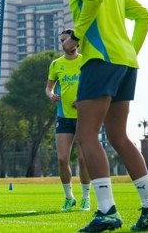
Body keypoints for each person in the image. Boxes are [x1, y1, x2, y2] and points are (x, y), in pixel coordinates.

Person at [60, 0, 148, 232]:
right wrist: (128, 52)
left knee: (86, 136)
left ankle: (106, 210)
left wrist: (76, 36)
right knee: (119, 137)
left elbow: (92, 0)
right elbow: (144, 15)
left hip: (100, 62)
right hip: (125, 64)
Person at [46, 29, 91, 212]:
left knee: (82, 159)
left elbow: (95, 85)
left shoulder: (86, 61)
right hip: (63, 117)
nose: (66, 44)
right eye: (62, 41)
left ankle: (86, 198)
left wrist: (84, 98)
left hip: (84, 116)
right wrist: (51, 95)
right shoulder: (56, 64)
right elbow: (49, 88)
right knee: (62, 159)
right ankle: (69, 197)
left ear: (76, 43)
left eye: (68, 40)